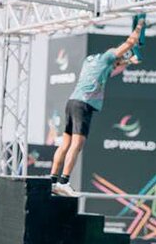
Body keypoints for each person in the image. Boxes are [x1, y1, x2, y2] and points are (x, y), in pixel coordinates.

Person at [50, 20, 145, 197]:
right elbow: (128, 44)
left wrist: (130, 61)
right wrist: (139, 26)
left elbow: (115, 67)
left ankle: (52, 181)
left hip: (72, 102)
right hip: (83, 105)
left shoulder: (92, 61)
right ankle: (64, 182)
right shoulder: (108, 57)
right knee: (77, 144)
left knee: (65, 144)